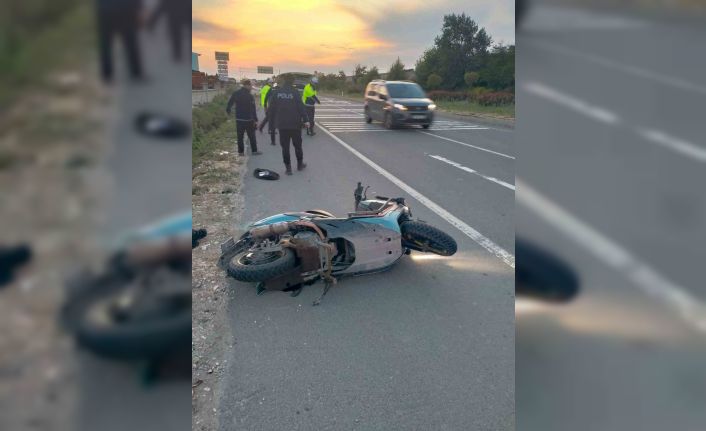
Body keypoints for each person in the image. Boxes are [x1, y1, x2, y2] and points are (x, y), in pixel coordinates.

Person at [259, 75, 310, 175]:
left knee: (285, 147)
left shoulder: (277, 92)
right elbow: (301, 107)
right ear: (293, 81)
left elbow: (271, 109)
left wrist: (270, 123)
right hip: (295, 124)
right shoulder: (295, 92)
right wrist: (306, 120)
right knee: (298, 146)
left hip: (282, 125)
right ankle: (300, 165)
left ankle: (288, 168)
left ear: (284, 81)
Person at [95, 0, 145, 83]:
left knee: (106, 44)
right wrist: (139, 8)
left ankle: (107, 75)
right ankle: (136, 72)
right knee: (130, 41)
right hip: (125, 8)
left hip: (106, 9)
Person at [226, 80, 261, 156]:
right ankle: (254, 151)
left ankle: (241, 152)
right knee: (252, 136)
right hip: (249, 119)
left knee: (240, 136)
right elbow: (253, 109)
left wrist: (229, 112)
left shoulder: (236, 93)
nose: (251, 87)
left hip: (239, 119)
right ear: (246, 85)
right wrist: (255, 120)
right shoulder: (250, 96)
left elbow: (229, 103)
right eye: (250, 85)